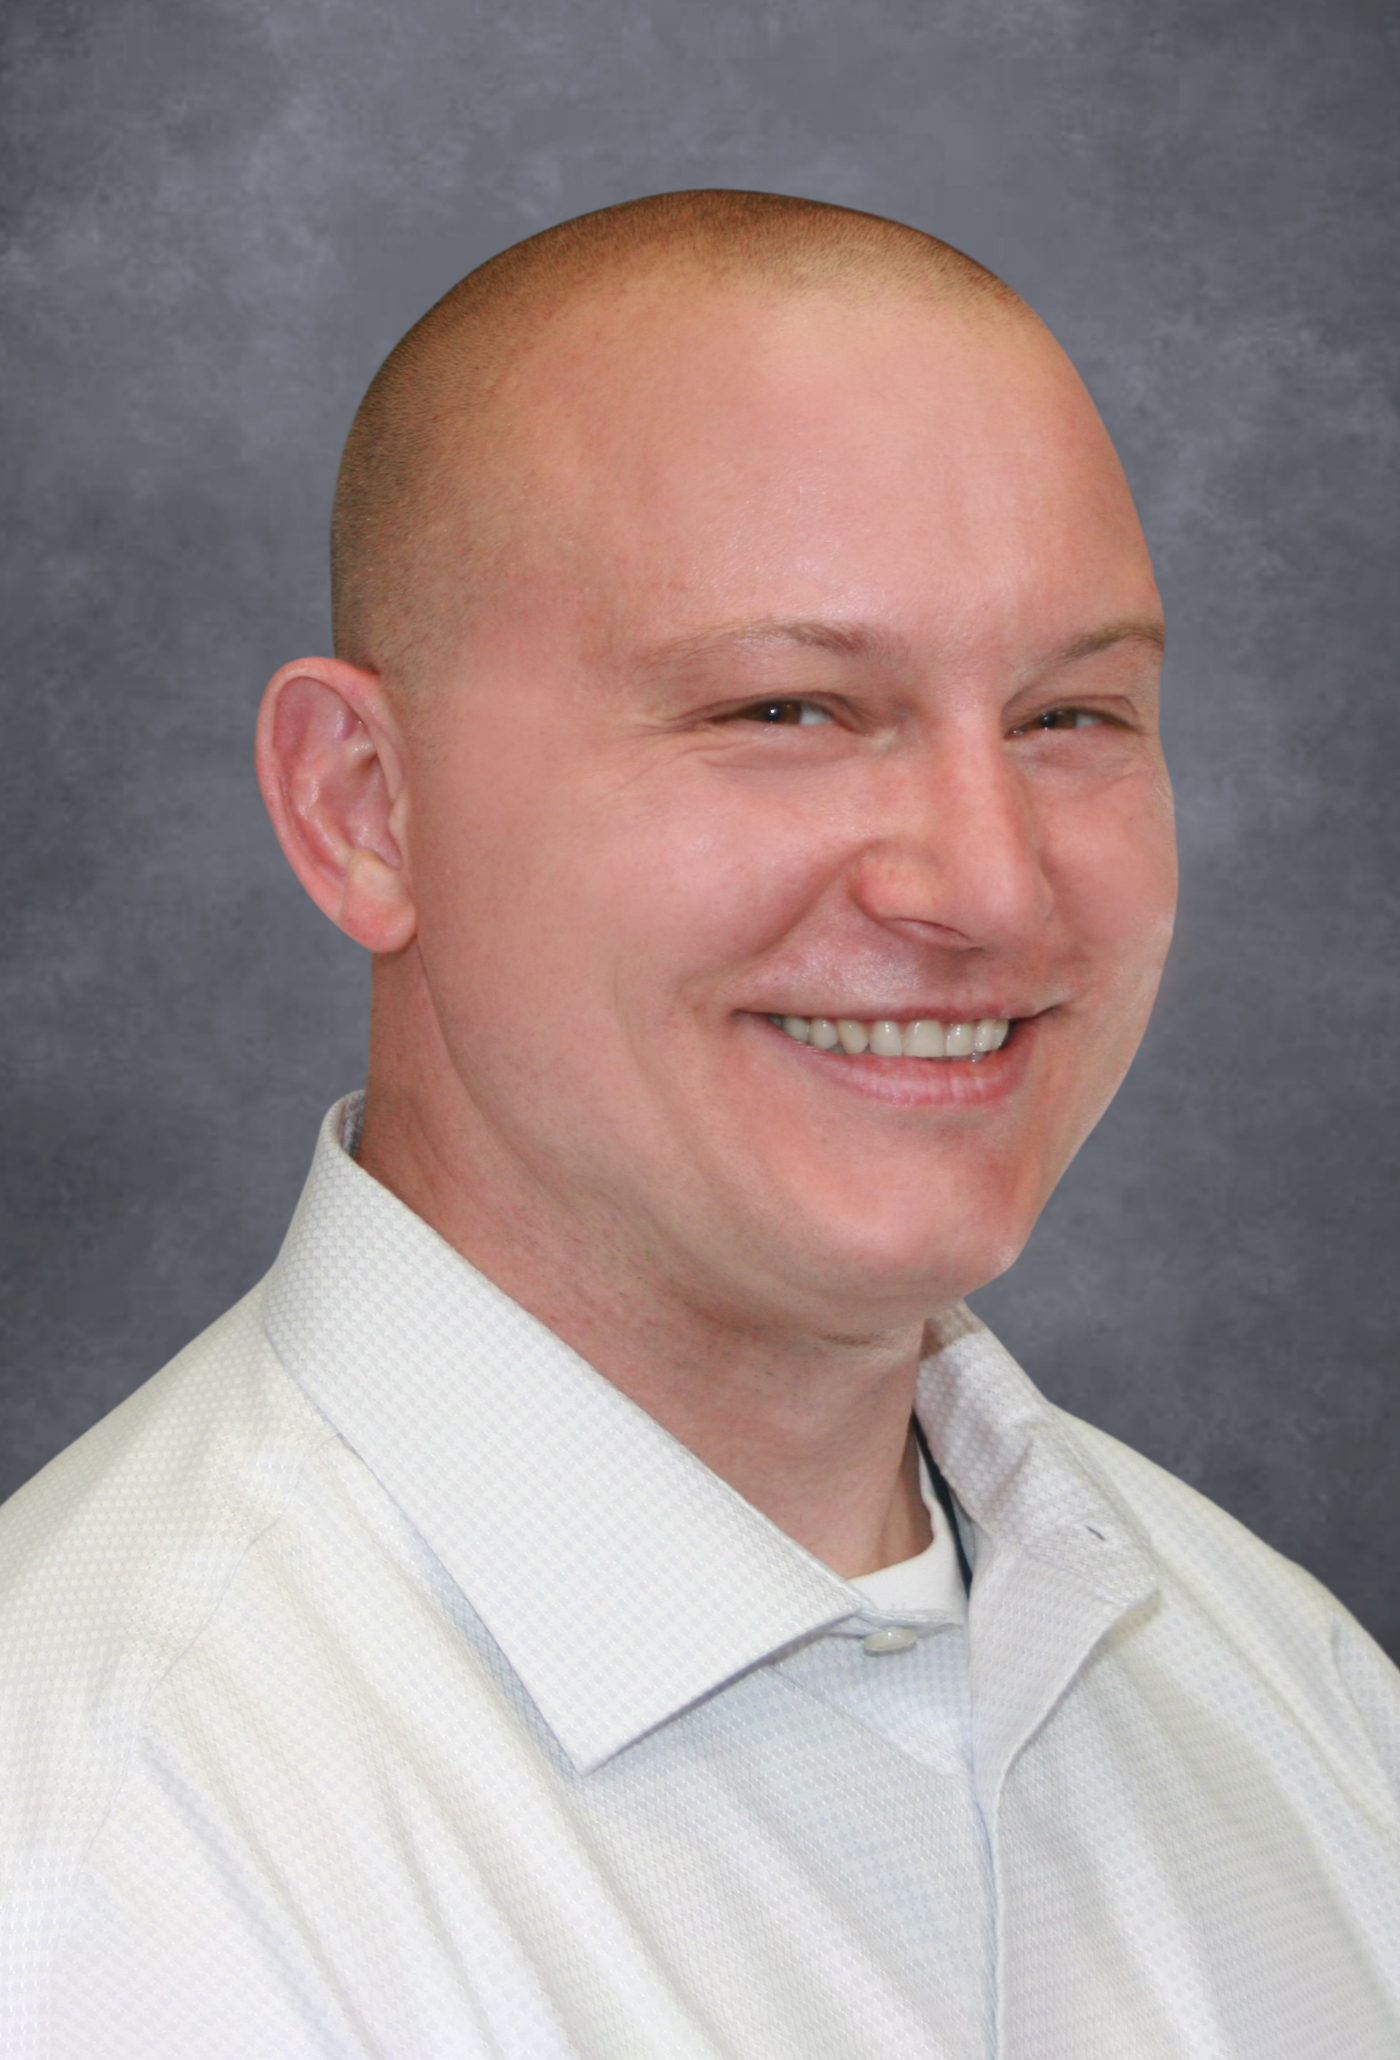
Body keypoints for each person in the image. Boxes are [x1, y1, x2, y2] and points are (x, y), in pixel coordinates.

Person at [1, 189, 1396, 2060]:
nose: (990, 886)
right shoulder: (89, 1872)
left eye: (1072, 717)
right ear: (366, 811)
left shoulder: (1300, 1699)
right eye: (790, 708)